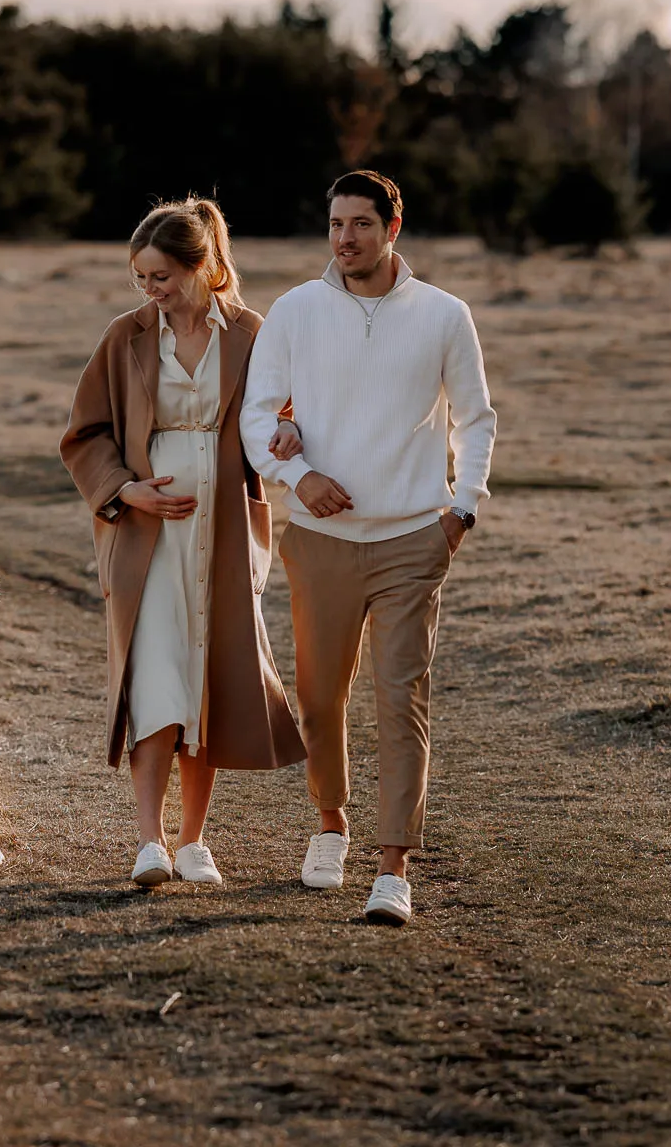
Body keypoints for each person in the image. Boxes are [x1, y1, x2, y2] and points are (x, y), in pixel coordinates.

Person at [241, 169, 496, 926]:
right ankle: (330, 824)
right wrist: (296, 473)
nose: (345, 238)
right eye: (335, 224)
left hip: (414, 539)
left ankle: (394, 870)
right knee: (319, 702)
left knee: (400, 699)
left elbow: (476, 420)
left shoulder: (445, 316)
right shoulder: (295, 311)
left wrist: (461, 512)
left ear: (393, 225)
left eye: (360, 223)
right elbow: (258, 417)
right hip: (319, 541)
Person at [61, 196, 307, 888]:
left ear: (203, 267)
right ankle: (149, 842)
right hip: (145, 539)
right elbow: (85, 434)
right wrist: (125, 490)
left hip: (224, 533)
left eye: (161, 276)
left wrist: (291, 431)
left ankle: (195, 842)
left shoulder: (253, 334)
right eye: (141, 278)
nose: (150, 291)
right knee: (156, 679)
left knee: (208, 680)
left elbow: (286, 413)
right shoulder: (126, 337)